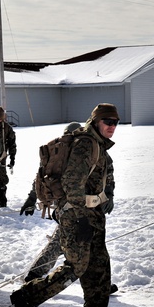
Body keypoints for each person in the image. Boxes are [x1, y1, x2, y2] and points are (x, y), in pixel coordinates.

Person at [10, 104, 123, 307]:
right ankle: (26, 297)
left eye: (115, 122)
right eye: (107, 122)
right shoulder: (85, 144)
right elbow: (72, 183)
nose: (112, 126)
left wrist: (105, 199)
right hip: (77, 215)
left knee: (99, 266)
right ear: (95, 121)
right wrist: (80, 218)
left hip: (93, 214)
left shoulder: (99, 145)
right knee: (77, 265)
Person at [19, 122, 118, 293]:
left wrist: (109, 194)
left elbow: (108, 175)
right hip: (68, 209)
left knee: (94, 248)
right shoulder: (59, 157)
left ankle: (99, 286)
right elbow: (43, 179)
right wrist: (31, 198)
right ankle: (34, 278)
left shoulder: (96, 152)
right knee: (61, 244)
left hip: (91, 209)